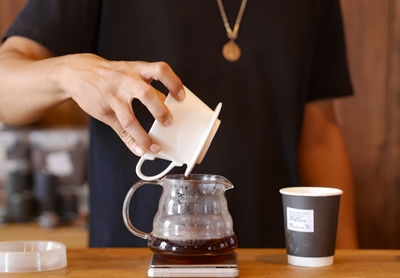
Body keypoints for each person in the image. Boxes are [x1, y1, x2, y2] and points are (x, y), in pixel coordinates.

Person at [0, 0, 358, 248]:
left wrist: (344, 260)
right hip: (134, 256)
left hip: (269, 257)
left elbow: (319, 134)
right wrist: (67, 72)